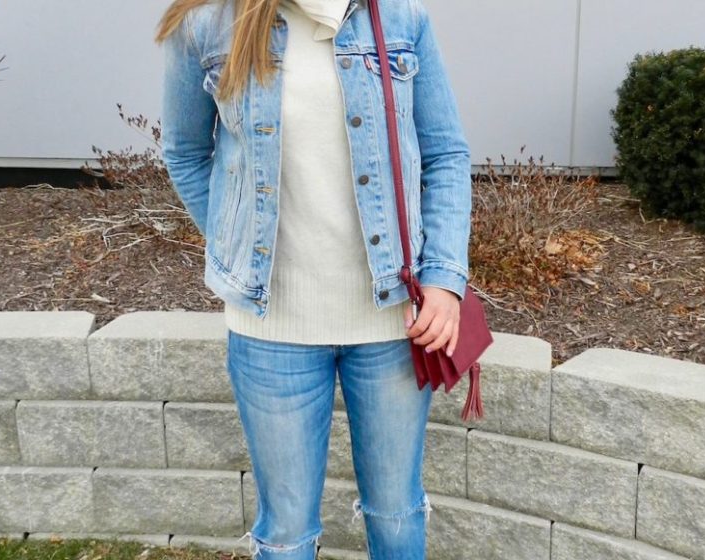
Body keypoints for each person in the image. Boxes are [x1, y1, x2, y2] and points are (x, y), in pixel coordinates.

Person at [155, 0, 472, 558]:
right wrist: (237, 241)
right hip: (271, 329)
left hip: (392, 322)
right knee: (286, 533)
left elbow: (446, 154)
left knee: (396, 511)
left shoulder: (399, 16)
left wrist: (445, 280)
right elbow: (184, 153)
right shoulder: (208, 24)